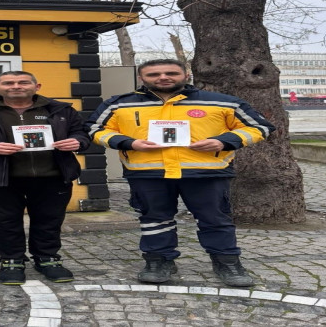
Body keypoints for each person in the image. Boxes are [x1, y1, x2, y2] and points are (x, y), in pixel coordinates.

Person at [84, 59, 275, 287]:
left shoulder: (224, 102)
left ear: (185, 74)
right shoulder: (118, 104)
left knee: (215, 219)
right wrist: (128, 143)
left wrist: (224, 141)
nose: (163, 77)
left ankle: (227, 262)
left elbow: (261, 127)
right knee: (154, 219)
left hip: (206, 173)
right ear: (141, 78)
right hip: (148, 174)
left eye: (170, 73)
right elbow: (94, 129)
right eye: (154, 74)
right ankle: (158, 261)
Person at [0, 71, 90, 285]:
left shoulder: (61, 109)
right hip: (0, 177)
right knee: (5, 222)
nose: (16, 86)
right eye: (8, 83)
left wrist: (77, 142)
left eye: (23, 82)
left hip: (52, 175)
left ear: (37, 86)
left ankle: (47, 259)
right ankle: (11, 261)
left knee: (49, 220)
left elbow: (83, 133)